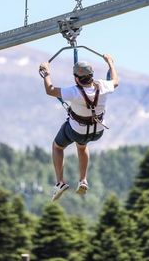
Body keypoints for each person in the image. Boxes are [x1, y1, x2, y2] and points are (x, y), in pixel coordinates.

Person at [39, 54, 119, 201]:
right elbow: (115, 81)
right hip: (97, 131)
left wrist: (46, 73)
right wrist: (110, 63)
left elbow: (50, 90)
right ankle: (83, 180)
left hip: (77, 130)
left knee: (57, 147)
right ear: (92, 75)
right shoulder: (103, 86)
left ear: (76, 78)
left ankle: (60, 182)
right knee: (82, 146)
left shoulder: (73, 92)